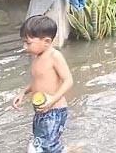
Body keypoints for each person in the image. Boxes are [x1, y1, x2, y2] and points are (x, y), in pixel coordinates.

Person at [12, 15, 73, 153]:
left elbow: (68, 81)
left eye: (28, 43)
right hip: (41, 110)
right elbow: (37, 81)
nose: (24, 46)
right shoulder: (36, 56)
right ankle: (66, 150)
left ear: (46, 41)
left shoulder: (54, 56)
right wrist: (23, 92)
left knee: (47, 145)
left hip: (55, 111)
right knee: (40, 141)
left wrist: (52, 99)